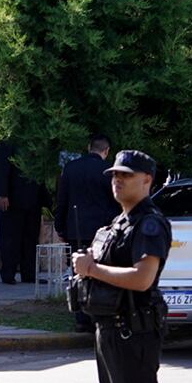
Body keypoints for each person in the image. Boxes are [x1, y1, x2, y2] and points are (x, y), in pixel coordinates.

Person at [71, 149, 172, 383]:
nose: (117, 180)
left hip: (135, 329)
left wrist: (94, 268)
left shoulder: (150, 224)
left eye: (126, 175)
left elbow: (142, 278)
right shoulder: (118, 223)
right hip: (109, 327)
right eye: (114, 174)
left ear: (147, 180)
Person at [55, 135, 121, 332]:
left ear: (88, 147)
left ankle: (81, 317)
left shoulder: (71, 168)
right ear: (106, 151)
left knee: (78, 272)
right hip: (102, 231)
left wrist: (60, 227)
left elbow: (62, 200)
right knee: (100, 272)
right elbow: (114, 202)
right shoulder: (108, 171)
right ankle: (98, 315)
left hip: (75, 228)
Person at [0, 140, 50, 285]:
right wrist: (2, 194)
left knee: (30, 238)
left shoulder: (37, 142)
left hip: (33, 199)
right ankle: (8, 273)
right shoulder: (8, 145)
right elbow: (1, 170)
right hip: (12, 199)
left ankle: (29, 273)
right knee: (10, 238)